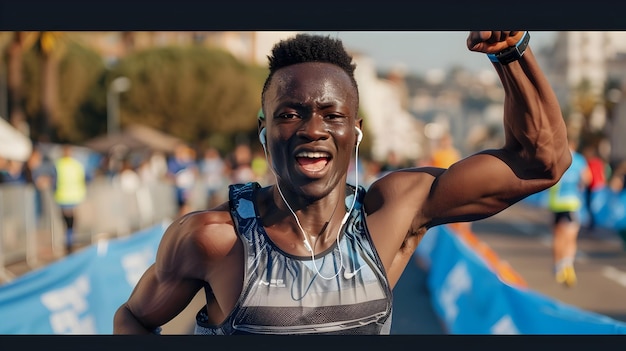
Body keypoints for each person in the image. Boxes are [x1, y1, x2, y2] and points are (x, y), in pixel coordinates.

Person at [114, 31, 571, 335]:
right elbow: (133, 318)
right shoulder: (212, 239)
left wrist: (512, 51)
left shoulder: (392, 214)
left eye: (332, 115)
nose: (313, 129)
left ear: (355, 130)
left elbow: (540, 163)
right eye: (289, 114)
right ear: (263, 128)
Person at [547, 139, 592, 287]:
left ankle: (558, 266)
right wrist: (579, 185)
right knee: (571, 236)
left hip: (556, 202)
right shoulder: (579, 160)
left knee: (558, 235)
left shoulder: (556, 159)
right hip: (572, 202)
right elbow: (587, 178)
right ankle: (567, 263)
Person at [53, 145, 87, 254]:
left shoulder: (59, 164)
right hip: (72, 196)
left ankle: (70, 242)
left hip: (65, 196)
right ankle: (70, 241)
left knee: (68, 222)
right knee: (70, 221)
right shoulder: (76, 164)